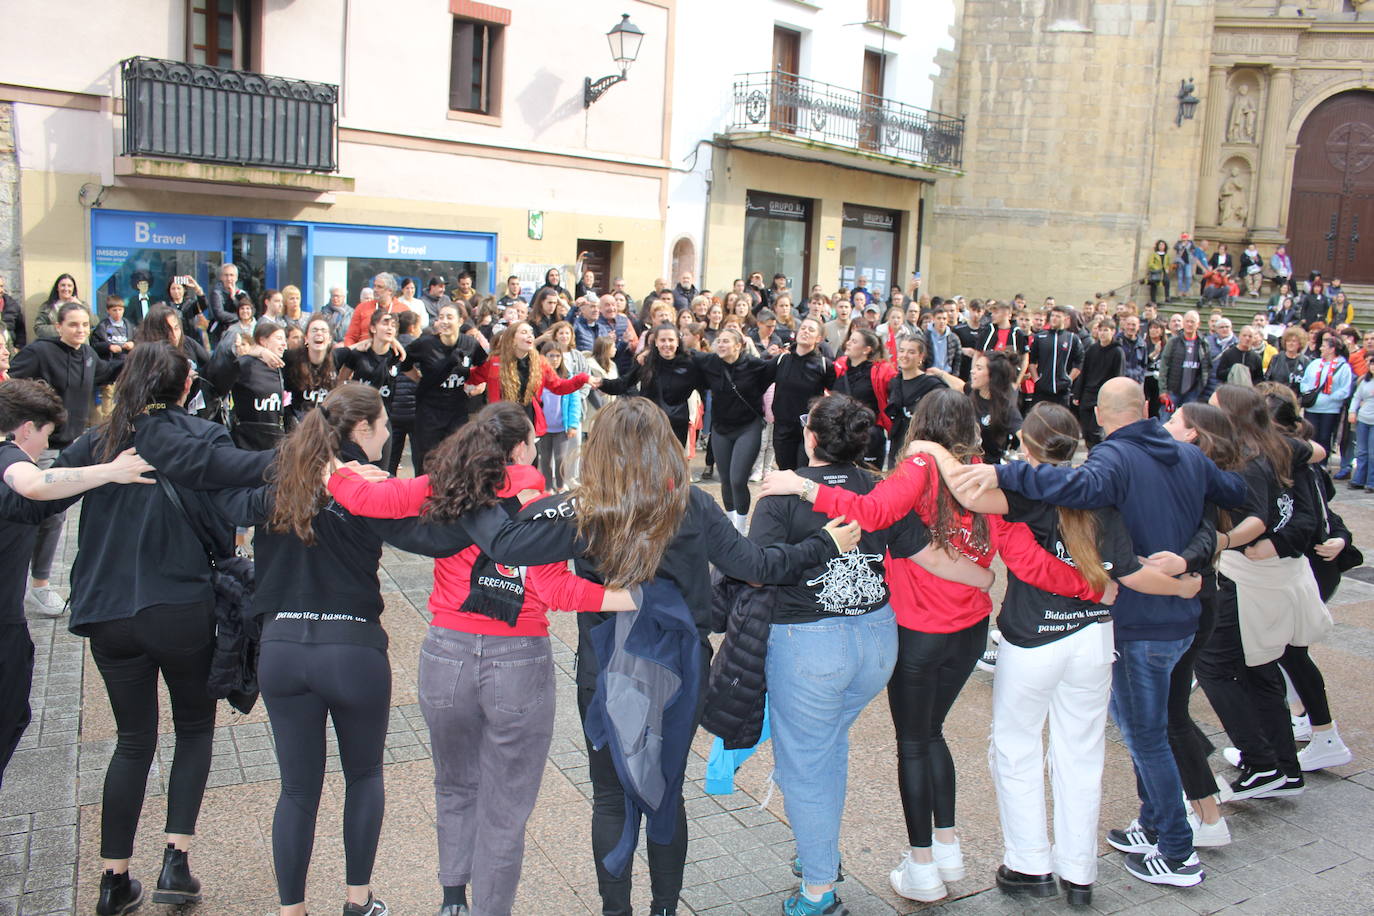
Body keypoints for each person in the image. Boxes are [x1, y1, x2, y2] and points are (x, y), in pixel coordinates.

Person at [450, 397, 862, 916]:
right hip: (681, 671)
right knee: (666, 793)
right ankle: (664, 909)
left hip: (604, 669)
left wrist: (465, 482)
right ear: (664, 446)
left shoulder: (584, 509)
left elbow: (507, 544)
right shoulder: (691, 503)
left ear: (600, 451)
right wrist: (823, 543)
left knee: (609, 796)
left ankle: (615, 911)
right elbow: (757, 565)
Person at [759, 389, 1107, 905]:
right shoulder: (984, 475)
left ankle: (921, 864)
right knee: (929, 735)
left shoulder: (917, 468)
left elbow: (873, 514)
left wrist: (803, 488)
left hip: (917, 630)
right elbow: (997, 554)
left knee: (907, 744)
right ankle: (946, 848)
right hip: (967, 629)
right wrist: (1073, 583)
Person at [324, 401, 638, 916]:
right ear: (518, 448)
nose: (537, 449)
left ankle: (452, 901)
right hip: (518, 659)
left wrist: (336, 473)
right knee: (505, 807)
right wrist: (632, 598)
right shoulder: (541, 500)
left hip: (445, 653)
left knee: (453, 785)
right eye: (533, 441)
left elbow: (371, 498)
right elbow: (555, 589)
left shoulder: (447, 487)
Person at [943, 378, 1247, 888]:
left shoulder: (1097, 473)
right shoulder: (1151, 469)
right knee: (1102, 745)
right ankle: (1101, 857)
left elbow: (1029, 530)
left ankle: (1143, 852)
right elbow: (1224, 500)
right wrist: (1186, 566)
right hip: (1129, 631)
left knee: (1107, 740)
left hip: (1085, 630)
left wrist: (990, 467)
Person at [45, 343, 252, 914]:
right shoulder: (202, 438)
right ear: (186, 388)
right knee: (193, 730)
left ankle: (113, 879)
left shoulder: (98, 441)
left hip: (107, 609)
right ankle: (175, 862)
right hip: (180, 605)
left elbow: (48, 493)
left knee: (133, 741)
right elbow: (225, 519)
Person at [747, 394, 934, 916]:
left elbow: (757, 566)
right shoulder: (880, 488)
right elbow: (920, 549)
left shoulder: (781, 492)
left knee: (806, 760)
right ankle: (817, 852)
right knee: (825, 748)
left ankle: (818, 889)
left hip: (809, 644)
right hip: (877, 640)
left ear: (811, 438)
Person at [0, 380, 156, 795]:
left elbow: (43, 498)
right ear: (25, 429)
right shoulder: (8, 457)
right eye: (46, 437)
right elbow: (33, 485)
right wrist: (110, 470)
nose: (43, 449)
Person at [10, 302, 124, 616]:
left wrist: (140, 357)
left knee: (54, 516)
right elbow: (12, 388)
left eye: (85, 325)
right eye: (73, 325)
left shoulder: (87, 355)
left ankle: (37, 585)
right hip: (36, 447)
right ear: (59, 326)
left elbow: (107, 370)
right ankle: (38, 586)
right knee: (44, 514)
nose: (80, 331)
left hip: (70, 444)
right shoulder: (40, 353)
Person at [696, 327, 776, 531]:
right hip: (721, 429)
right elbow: (687, 355)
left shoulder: (755, 365)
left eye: (726, 341)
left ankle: (741, 527)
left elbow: (778, 367)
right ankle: (732, 525)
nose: (720, 345)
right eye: (719, 341)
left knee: (737, 480)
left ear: (739, 346)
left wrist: (781, 355)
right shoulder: (711, 363)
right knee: (725, 481)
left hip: (747, 428)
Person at [406, 304, 487, 475]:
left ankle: (453, 498)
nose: (444, 321)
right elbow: (404, 363)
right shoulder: (424, 344)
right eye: (441, 317)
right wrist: (420, 380)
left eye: (449, 317)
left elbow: (484, 366)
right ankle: (424, 498)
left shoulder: (470, 344)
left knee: (457, 458)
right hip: (429, 410)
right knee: (428, 461)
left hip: (457, 409)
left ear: (460, 321)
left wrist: (478, 385)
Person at [207, 320, 288, 451]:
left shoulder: (281, 367)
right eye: (279, 338)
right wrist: (257, 351)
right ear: (263, 341)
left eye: (285, 339)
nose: (284, 344)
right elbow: (217, 375)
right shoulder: (245, 363)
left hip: (274, 442)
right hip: (247, 442)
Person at [833, 327, 896, 467]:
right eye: (849, 339)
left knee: (868, 478)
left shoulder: (882, 370)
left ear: (866, 349)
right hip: (840, 432)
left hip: (868, 434)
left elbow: (897, 391)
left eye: (854, 341)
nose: (848, 343)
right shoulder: (839, 365)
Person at [886, 336, 954, 466]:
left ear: (921, 356)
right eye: (901, 350)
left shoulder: (932, 385)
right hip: (897, 445)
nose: (905, 355)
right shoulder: (895, 382)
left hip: (921, 448)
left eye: (911, 352)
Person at [534, 341, 581, 490]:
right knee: (545, 459)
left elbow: (574, 403)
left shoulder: (568, 376)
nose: (554, 359)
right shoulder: (537, 377)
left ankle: (560, 486)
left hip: (561, 427)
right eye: (550, 356)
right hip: (544, 428)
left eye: (557, 356)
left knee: (560, 458)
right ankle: (548, 487)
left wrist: (573, 424)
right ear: (544, 358)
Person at [1300, 333, 1353, 459]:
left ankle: (1322, 463)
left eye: (1324, 346)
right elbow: (1305, 380)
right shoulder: (1315, 363)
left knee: (1324, 436)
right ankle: (1310, 461)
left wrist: (1329, 397)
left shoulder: (1343, 367)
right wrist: (1308, 392)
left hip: (1330, 409)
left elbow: (1345, 389)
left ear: (1332, 349)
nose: (1320, 348)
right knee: (1311, 436)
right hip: (1312, 407)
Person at [1072, 318, 1124, 445]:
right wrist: (1077, 394)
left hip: (1104, 396)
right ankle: (1092, 456)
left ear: (1113, 332)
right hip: (1087, 394)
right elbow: (1084, 373)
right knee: (1086, 432)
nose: (1102, 333)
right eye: (1100, 330)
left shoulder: (1117, 352)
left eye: (1105, 330)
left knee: (1096, 432)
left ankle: (1099, 456)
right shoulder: (1092, 349)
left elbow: (1118, 376)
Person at [969, 351, 1022, 464]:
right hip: (965, 463)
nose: (972, 371)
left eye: (979, 368)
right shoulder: (972, 392)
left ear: (993, 376)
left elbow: (1025, 438)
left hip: (988, 469)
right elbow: (958, 385)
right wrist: (940, 373)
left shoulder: (1006, 408)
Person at [1027, 306, 1083, 407]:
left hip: (1062, 390)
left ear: (1066, 319)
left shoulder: (1072, 338)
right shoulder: (1040, 337)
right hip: (1041, 389)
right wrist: (1036, 379)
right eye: (1052, 315)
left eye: (1058, 316)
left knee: (1060, 420)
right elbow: (1031, 361)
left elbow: (1079, 362)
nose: (1054, 318)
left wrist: (1069, 379)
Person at [1161, 310, 1211, 417]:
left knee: (1187, 421)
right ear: (1183, 323)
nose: (1189, 324)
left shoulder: (1204, 344)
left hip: (1192, 393)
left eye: (1192, 322)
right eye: (1187, 321)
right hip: (1172, 391)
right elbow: (1164, 366)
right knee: (1165, 420)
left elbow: (1207, 367)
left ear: (1198, 324)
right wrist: (1163, 390)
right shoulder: (1173, 342)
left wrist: (1201, 387)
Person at [1350, 345, 1374, 490]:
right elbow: (1356, 397)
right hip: (1363, 419)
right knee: (1361, 451)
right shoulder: (1365, 381)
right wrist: (1352, 411)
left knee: (1373, 452)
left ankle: (1371, 481)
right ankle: (1359, 478)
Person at [33, 273, 81, 341]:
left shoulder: (81, 305)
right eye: (63, 285)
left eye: (69, 286)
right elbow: (38, 328)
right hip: (55, 345)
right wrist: (62, 329)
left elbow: (93, 323)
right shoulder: (47, 307)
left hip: (77, 345)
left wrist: (81, 306)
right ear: (57, 288)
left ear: (73, 288)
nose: (66, 288)